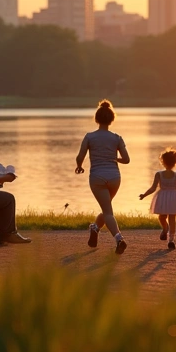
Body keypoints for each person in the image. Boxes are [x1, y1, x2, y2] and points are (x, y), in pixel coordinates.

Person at [75, 100, 131, 254]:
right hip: (114, 177)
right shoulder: (117, 138)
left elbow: (80, 157)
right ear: (111, 119)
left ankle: (119, 239)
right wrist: (115, 159)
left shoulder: (89, 137)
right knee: (106, 208)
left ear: (96, 119)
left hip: (97, 177)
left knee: (107, 212)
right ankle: (94, 228)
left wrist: (79, 166)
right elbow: (126, 159)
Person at [138, 149, 176, 250]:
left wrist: (144, 195)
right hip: (172, 197)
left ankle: (171, 239)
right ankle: (167, 231)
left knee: (165, 217)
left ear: (163, 162)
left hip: (164, 197)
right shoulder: (162, 174)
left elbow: (153, 188)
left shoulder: (170, 174)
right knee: (167, 218)